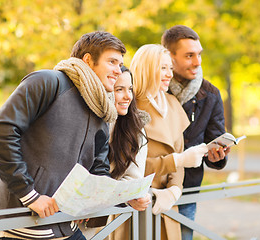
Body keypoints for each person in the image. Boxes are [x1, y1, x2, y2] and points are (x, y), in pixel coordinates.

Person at [0, 31, 126, 240]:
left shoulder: (101, 108)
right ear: (88, 60)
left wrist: (124, 198)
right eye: (112, 62)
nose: (118, 70)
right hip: (22, 225)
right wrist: (30, 195)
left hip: (65, 226)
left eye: (120, 64)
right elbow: (0, 133)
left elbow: (98, 168)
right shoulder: (47, 82)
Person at [130, 44, 208, 240]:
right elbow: (128, 165)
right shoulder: (129, 107)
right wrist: (176, 161)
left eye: (170, 68)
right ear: (147, 68)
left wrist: (174, 190)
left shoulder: (172, 103)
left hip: (166, 206)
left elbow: (179, 153)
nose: (169, 74)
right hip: (135, 206)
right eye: (162, 68)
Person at [162, 25, 231, 240]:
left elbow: (215, 139)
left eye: (198, 54)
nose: (197, 62)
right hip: (149, 189)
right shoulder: (152, 88)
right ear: (169, 57)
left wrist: (217, 157)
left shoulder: (210, 94)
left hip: (186, 190)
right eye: (189, 55)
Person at [79, 66, 151, 239]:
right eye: (119, 90)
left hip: (98, 217)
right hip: (63, 211)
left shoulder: (136, 132)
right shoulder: (86, 122)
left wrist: (129, 196)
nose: (128, 96)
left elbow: (132, 179)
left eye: (130, 89)